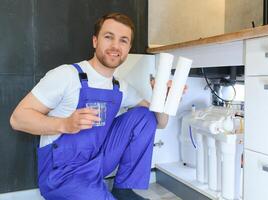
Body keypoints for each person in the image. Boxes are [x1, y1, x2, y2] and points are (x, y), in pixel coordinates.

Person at [10, 12, 170, 200]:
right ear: (95, 41)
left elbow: (158, 122)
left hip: (97, 164)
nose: (115, 46)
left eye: (123, 40)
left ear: (128, 48)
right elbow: (18, 119)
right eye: (108, 37)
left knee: (144, 115)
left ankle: (124, 190)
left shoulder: (121, 87)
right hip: (62, 175)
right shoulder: (67, 75)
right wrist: (64, 124)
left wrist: (162, 98)